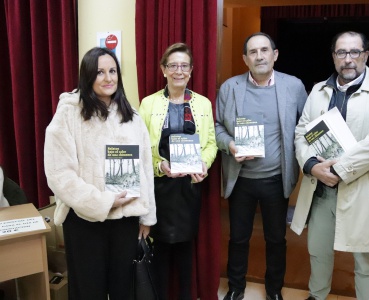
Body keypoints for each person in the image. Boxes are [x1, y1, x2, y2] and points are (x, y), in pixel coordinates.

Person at [291, 31, 369, 300]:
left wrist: (339, 170)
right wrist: (310, 165)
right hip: (322, 190)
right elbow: (302, 132)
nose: (348, 59)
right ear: (333, 57)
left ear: (365, 55)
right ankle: (317, 296)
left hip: (361, 189)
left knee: (365, 262)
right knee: (318, 252)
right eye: (341, 53)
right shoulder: (318, 90)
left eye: (355, 52)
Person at [44, 47, 156, 300]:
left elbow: (145, 168)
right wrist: (102, 202)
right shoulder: (68, 113)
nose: (108, 78)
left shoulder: (132, 116)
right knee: (88, 290)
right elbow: (59, 174)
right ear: (87, 76)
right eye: (100, 72)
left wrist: (147, 216)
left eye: (113, 71)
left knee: (123, 290)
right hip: (85, 220)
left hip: (125, 220)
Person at [215, 32, 308, 300]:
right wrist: (230, 145)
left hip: (276, 179)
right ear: (245, 59)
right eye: (253, 52)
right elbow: (218, 127)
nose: (259, 56)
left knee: (276, 239)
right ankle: (235, 288)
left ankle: (274, 290)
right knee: (238, 238)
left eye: (264, 50)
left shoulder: (293, 87)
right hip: (241, 177)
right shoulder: (230, 88)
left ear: (274, 54)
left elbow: (305, 126)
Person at [138, 42, 217, 299]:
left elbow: (211, 144)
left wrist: (203, 163)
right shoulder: (148, 104)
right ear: (163, 70)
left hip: (189, 188)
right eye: (173, 65)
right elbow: (140, 148)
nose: (179, 71)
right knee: (159, 249)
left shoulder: (203, 104)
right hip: (159, 187)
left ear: (191, 70)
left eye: (184, 66)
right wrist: (160, 165)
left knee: (185, 248)